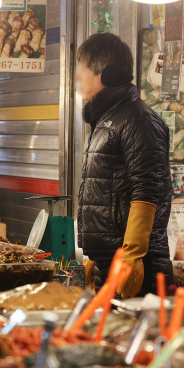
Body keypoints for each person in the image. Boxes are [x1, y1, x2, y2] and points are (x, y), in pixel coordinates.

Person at [76, 33, 172, 298]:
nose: (78, 78)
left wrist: (132, 254)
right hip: (110, 261)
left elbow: (147, 188)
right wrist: (96, 252)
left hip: (136, 265)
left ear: (104, 74)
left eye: (81, 69)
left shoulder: (137, 120)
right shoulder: (108, 120)